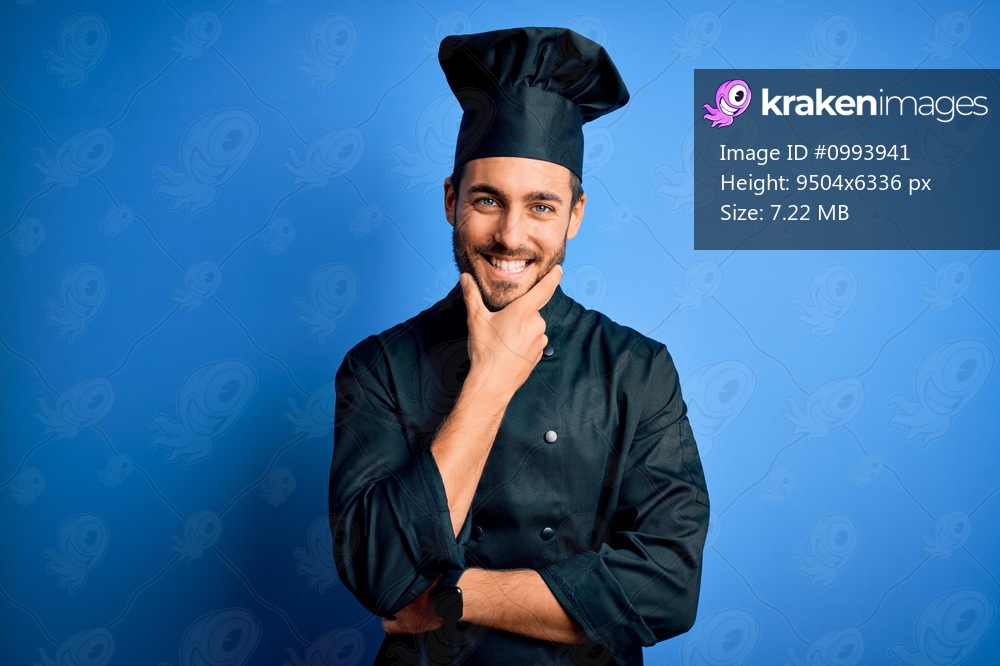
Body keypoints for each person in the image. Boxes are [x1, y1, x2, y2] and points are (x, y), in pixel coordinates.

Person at [329, 27, 709, 665]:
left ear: (574, 216)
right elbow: (377, 574)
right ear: (451, 201)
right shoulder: (378, 368)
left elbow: (669, 588)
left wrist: (453, 596)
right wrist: (490, 381)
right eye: (486, 199)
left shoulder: (638, 370)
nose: (510, 235)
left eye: (540, 207)